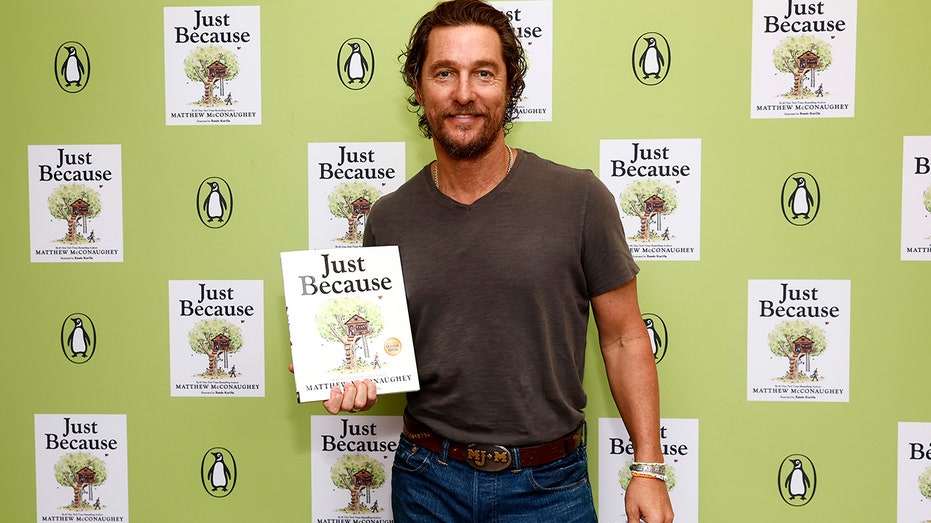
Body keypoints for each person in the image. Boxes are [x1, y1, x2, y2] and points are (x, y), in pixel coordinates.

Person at [323, 1, 673, 521]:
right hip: (427, 484)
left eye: (483, 73)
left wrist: (648, 467)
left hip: (550, 488)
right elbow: (381, 351)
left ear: (509, 87)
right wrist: (343, 368)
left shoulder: (579, 198)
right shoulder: (388, 219)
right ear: (418, 88)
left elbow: (624, 338)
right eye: (444, 73)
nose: (464, 93)